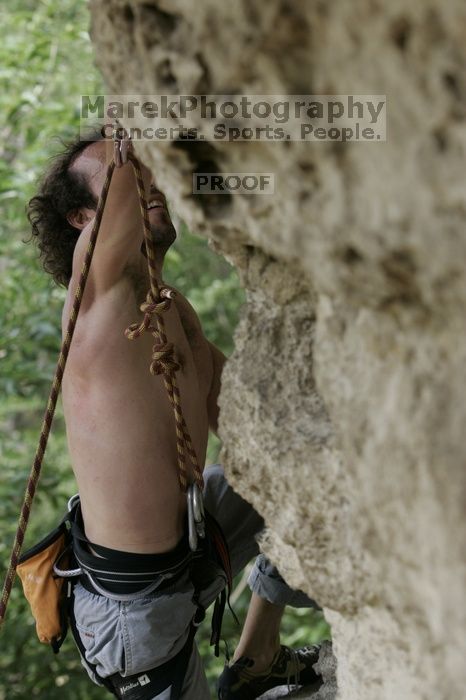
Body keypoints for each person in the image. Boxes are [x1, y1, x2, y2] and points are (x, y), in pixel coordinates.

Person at [26, 130, 325, 699]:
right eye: (129, 173)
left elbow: (255, 430)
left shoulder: (173, 311)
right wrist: (138, 109)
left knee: (315, 463)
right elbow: (126, 153)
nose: (151, 180)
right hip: (133, 617)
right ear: (82, 219)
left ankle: (257, 656)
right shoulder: (95, 302)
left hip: (193, 551)